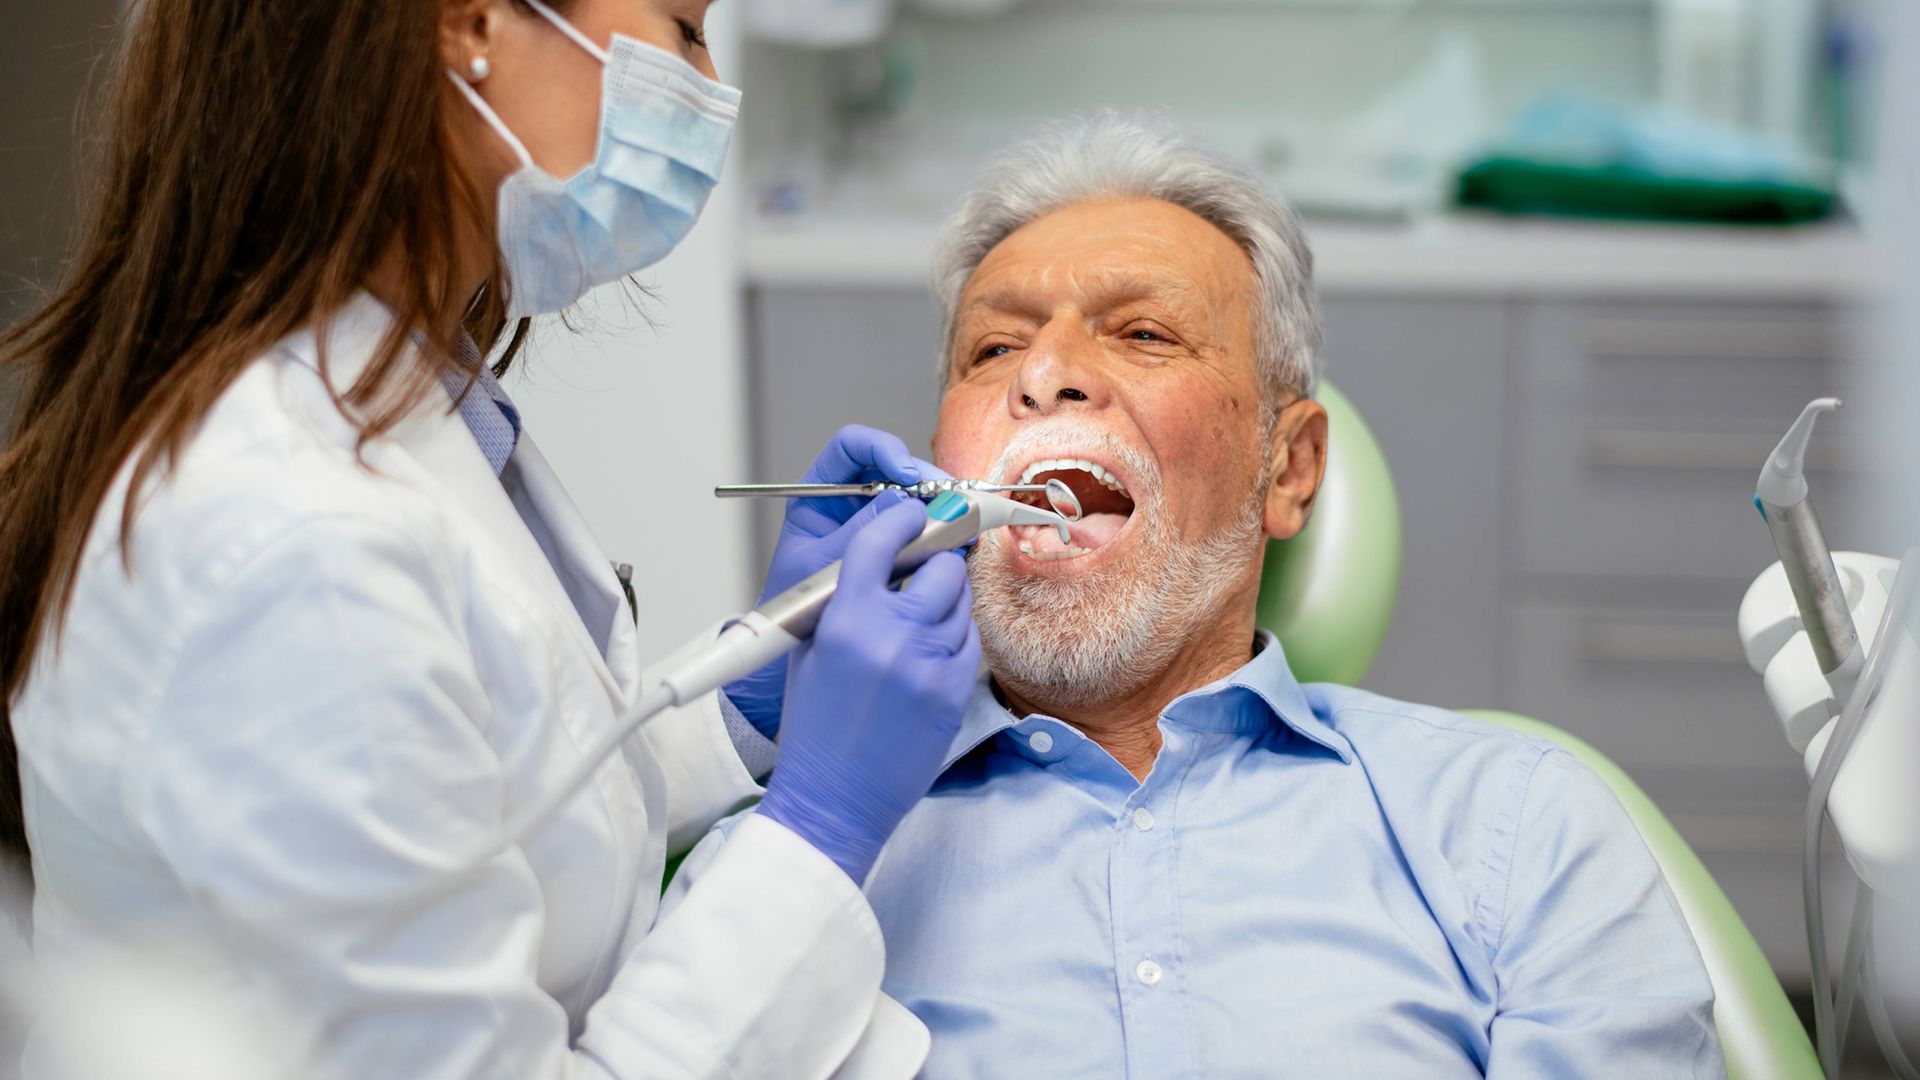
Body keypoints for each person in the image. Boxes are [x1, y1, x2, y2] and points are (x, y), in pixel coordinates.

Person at [0, 1, 975, 1076]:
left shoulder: (414, 406)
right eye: (684, 30)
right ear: (470, 25)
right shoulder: (283, 536)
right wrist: (818, 830)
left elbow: (494, 789)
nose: (708, 92)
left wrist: (748, 712)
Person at [684, 114, 1726, 1076]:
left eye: (1142, 333)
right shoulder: (785, 871)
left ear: (1287, 469)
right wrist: (801, 829)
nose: (1044, 376)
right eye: (995, 348)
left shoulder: (1518, 828)